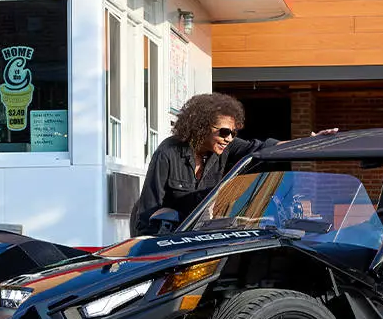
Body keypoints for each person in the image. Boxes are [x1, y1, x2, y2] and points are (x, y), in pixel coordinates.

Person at [130, 92, 337, 235]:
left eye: (233, 133)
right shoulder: (168, 152)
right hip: (164, 236)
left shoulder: (224, 148)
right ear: (201, 127)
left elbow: (264, 148)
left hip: (197, 233)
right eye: (224, 132)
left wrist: (310, 142)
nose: (229, 138)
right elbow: (148, 210)